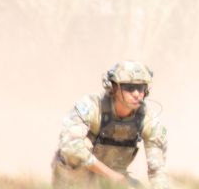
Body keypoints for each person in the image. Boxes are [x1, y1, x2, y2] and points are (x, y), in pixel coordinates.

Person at [52, 60, 168, 189]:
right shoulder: (92, 107)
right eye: (129, 88)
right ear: (113, 88)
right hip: (75, 178)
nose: (136, 94)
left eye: (141, 88)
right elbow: (70, 147)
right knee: (81, 147)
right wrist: (110, 175)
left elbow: (157, 170)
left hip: (113, 180)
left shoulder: (147, 119)